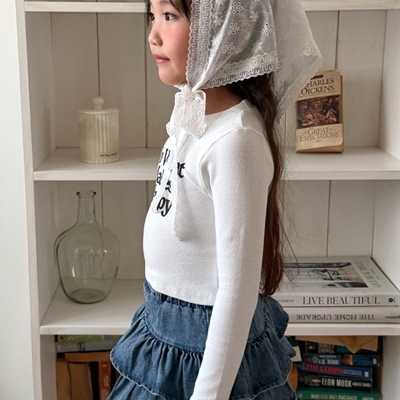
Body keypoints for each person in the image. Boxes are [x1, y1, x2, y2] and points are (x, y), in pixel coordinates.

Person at [109, 0, 322, 399]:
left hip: (204, 350)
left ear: (222, 26)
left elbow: (236, 293)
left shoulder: (235, 141)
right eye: (152, 16)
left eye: (169, 16)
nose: (153, 35)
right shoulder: (194, 115)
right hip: (162, 322)